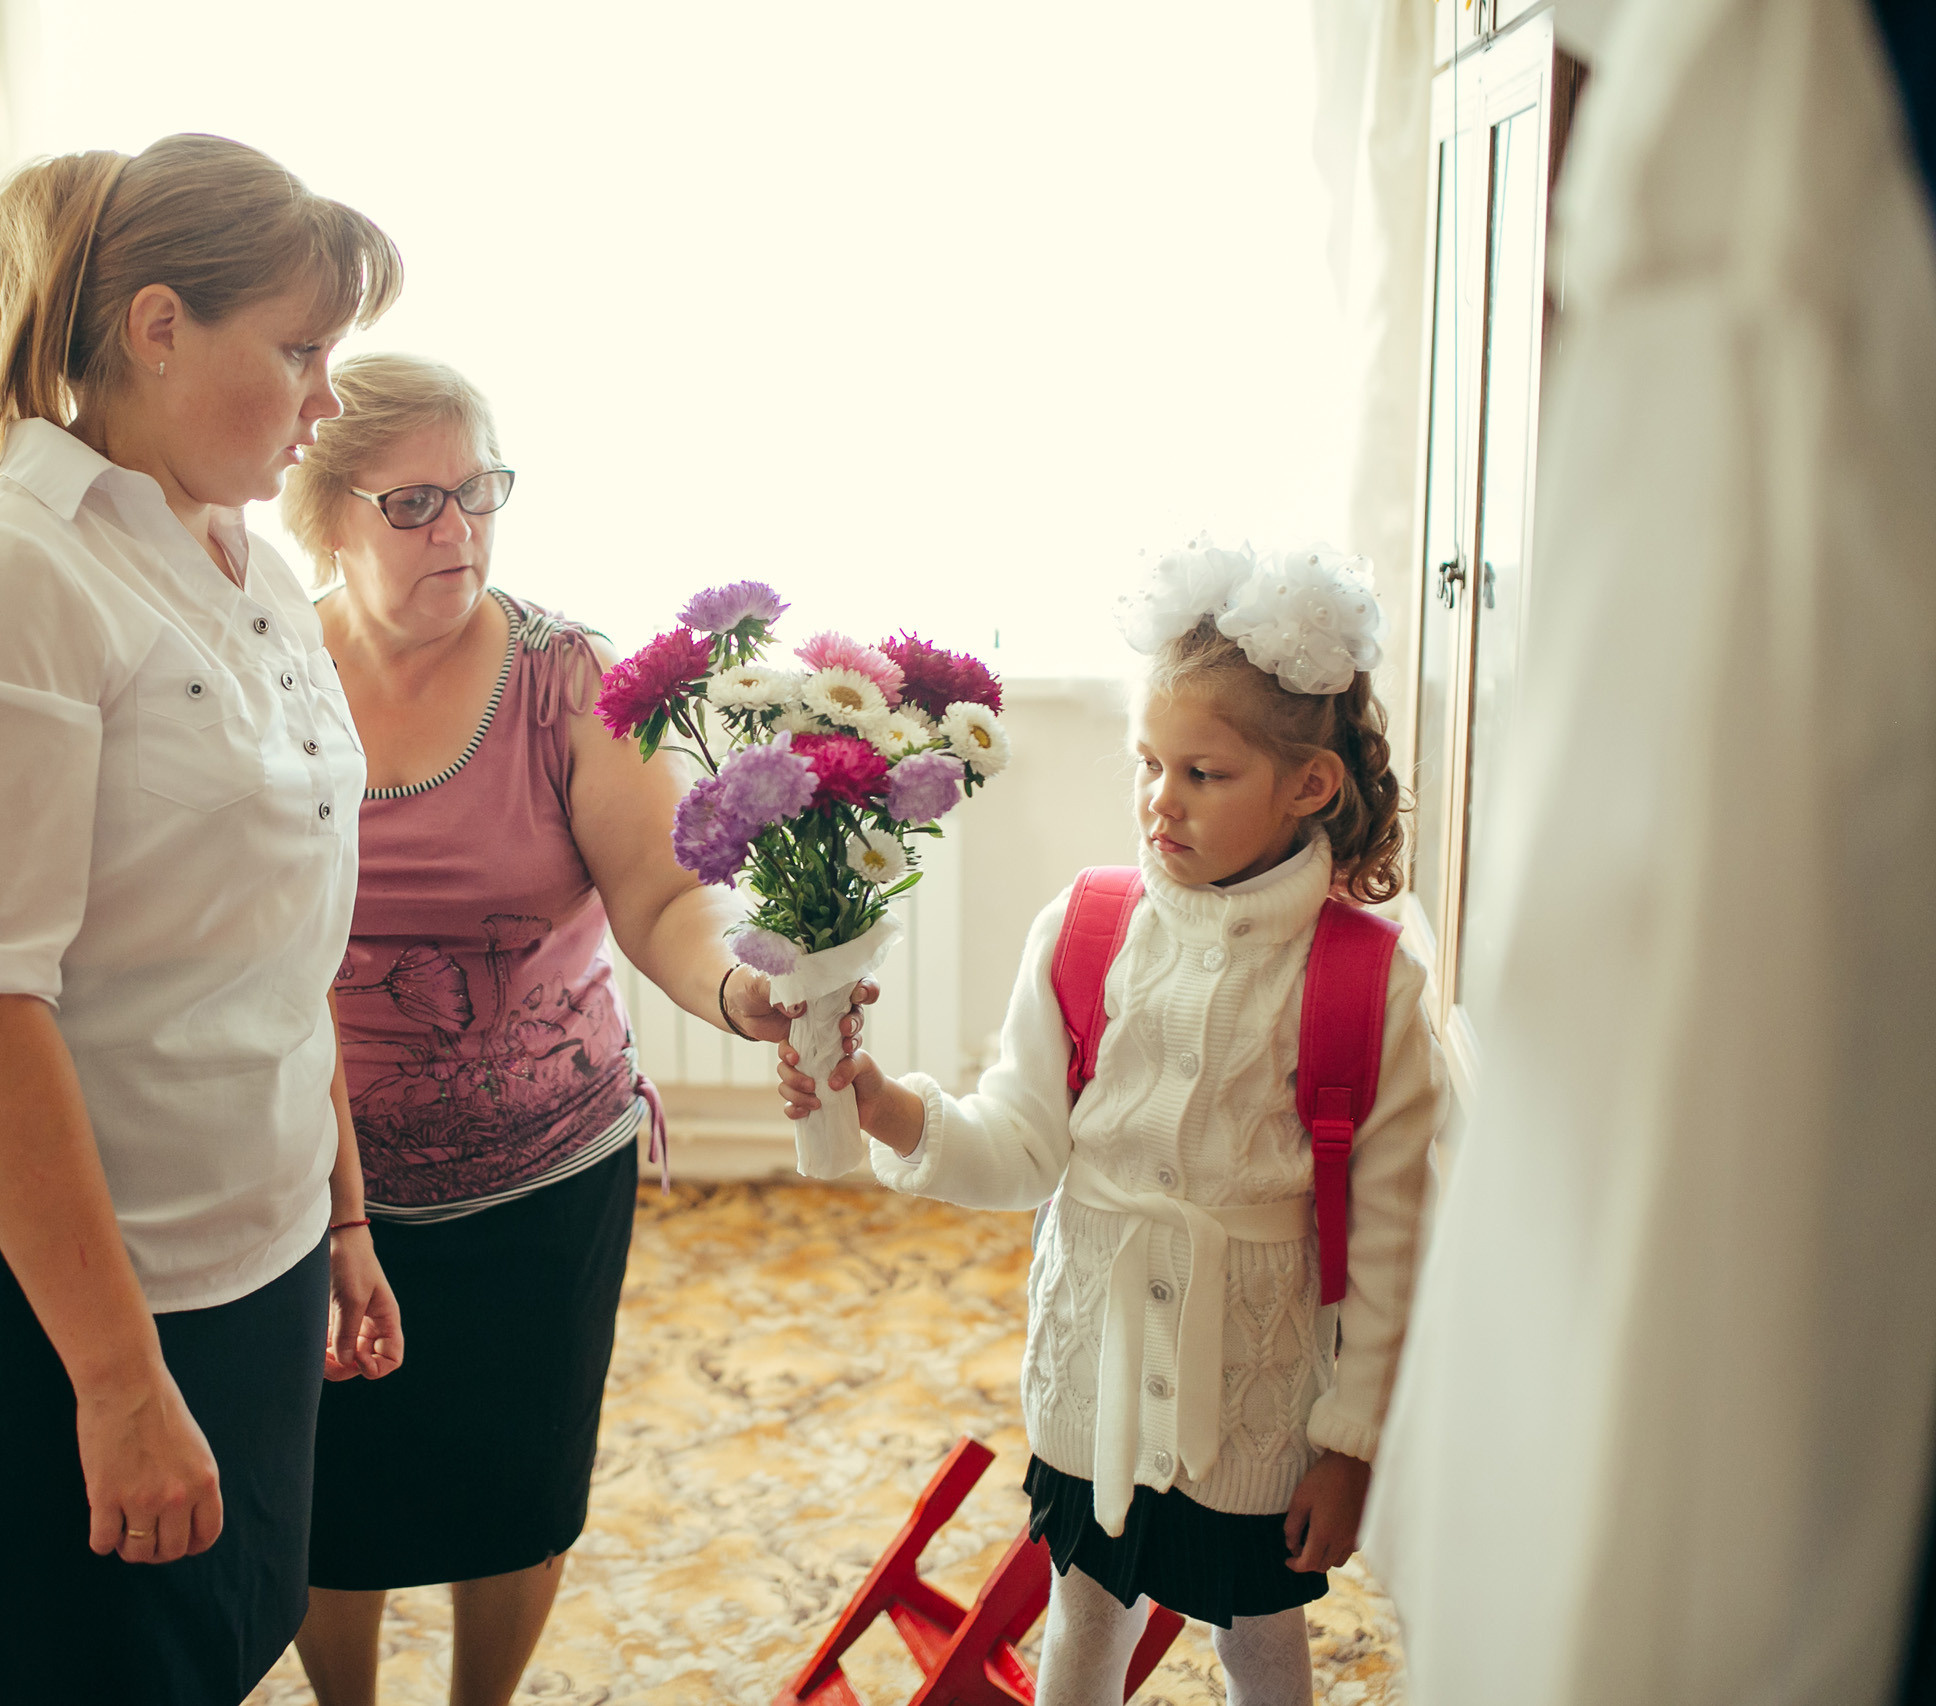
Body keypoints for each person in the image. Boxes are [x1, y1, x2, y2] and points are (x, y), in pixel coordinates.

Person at [0, 136, 405, 1704]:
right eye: (296, 350)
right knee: (96, 1673)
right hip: (52, 1285)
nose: (323, 400)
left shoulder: (246, 565)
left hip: (253, 1233)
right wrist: (117, 1379)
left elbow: (286, 936)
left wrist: (338, 1213)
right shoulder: (12, 576)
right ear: (158, 327)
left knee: (226, 1635)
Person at [277, 353, 859, 1706]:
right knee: (328, 1489)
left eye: (481, 492)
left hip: (543, 1169)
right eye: (417, 503)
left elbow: (657, 894)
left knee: (516, 1486)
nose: (463, 532)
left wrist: (737, 992)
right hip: (315, 1175)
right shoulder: (262, 668)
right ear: (321, 513)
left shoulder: (566, 675)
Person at [778, 542, 1446, 1705]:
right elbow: (1021, 1141)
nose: (1159, 799)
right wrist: (886, 1107)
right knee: (1085, 1612)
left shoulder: (1369, 982)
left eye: (1204, 772)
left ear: (1308, 786)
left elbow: (1391, 1242)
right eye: (1148, 762)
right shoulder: (1085, 927)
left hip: (1255, 1389)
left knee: (1256, 1634)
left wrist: (1350, 1443)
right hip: (1092, 1364)